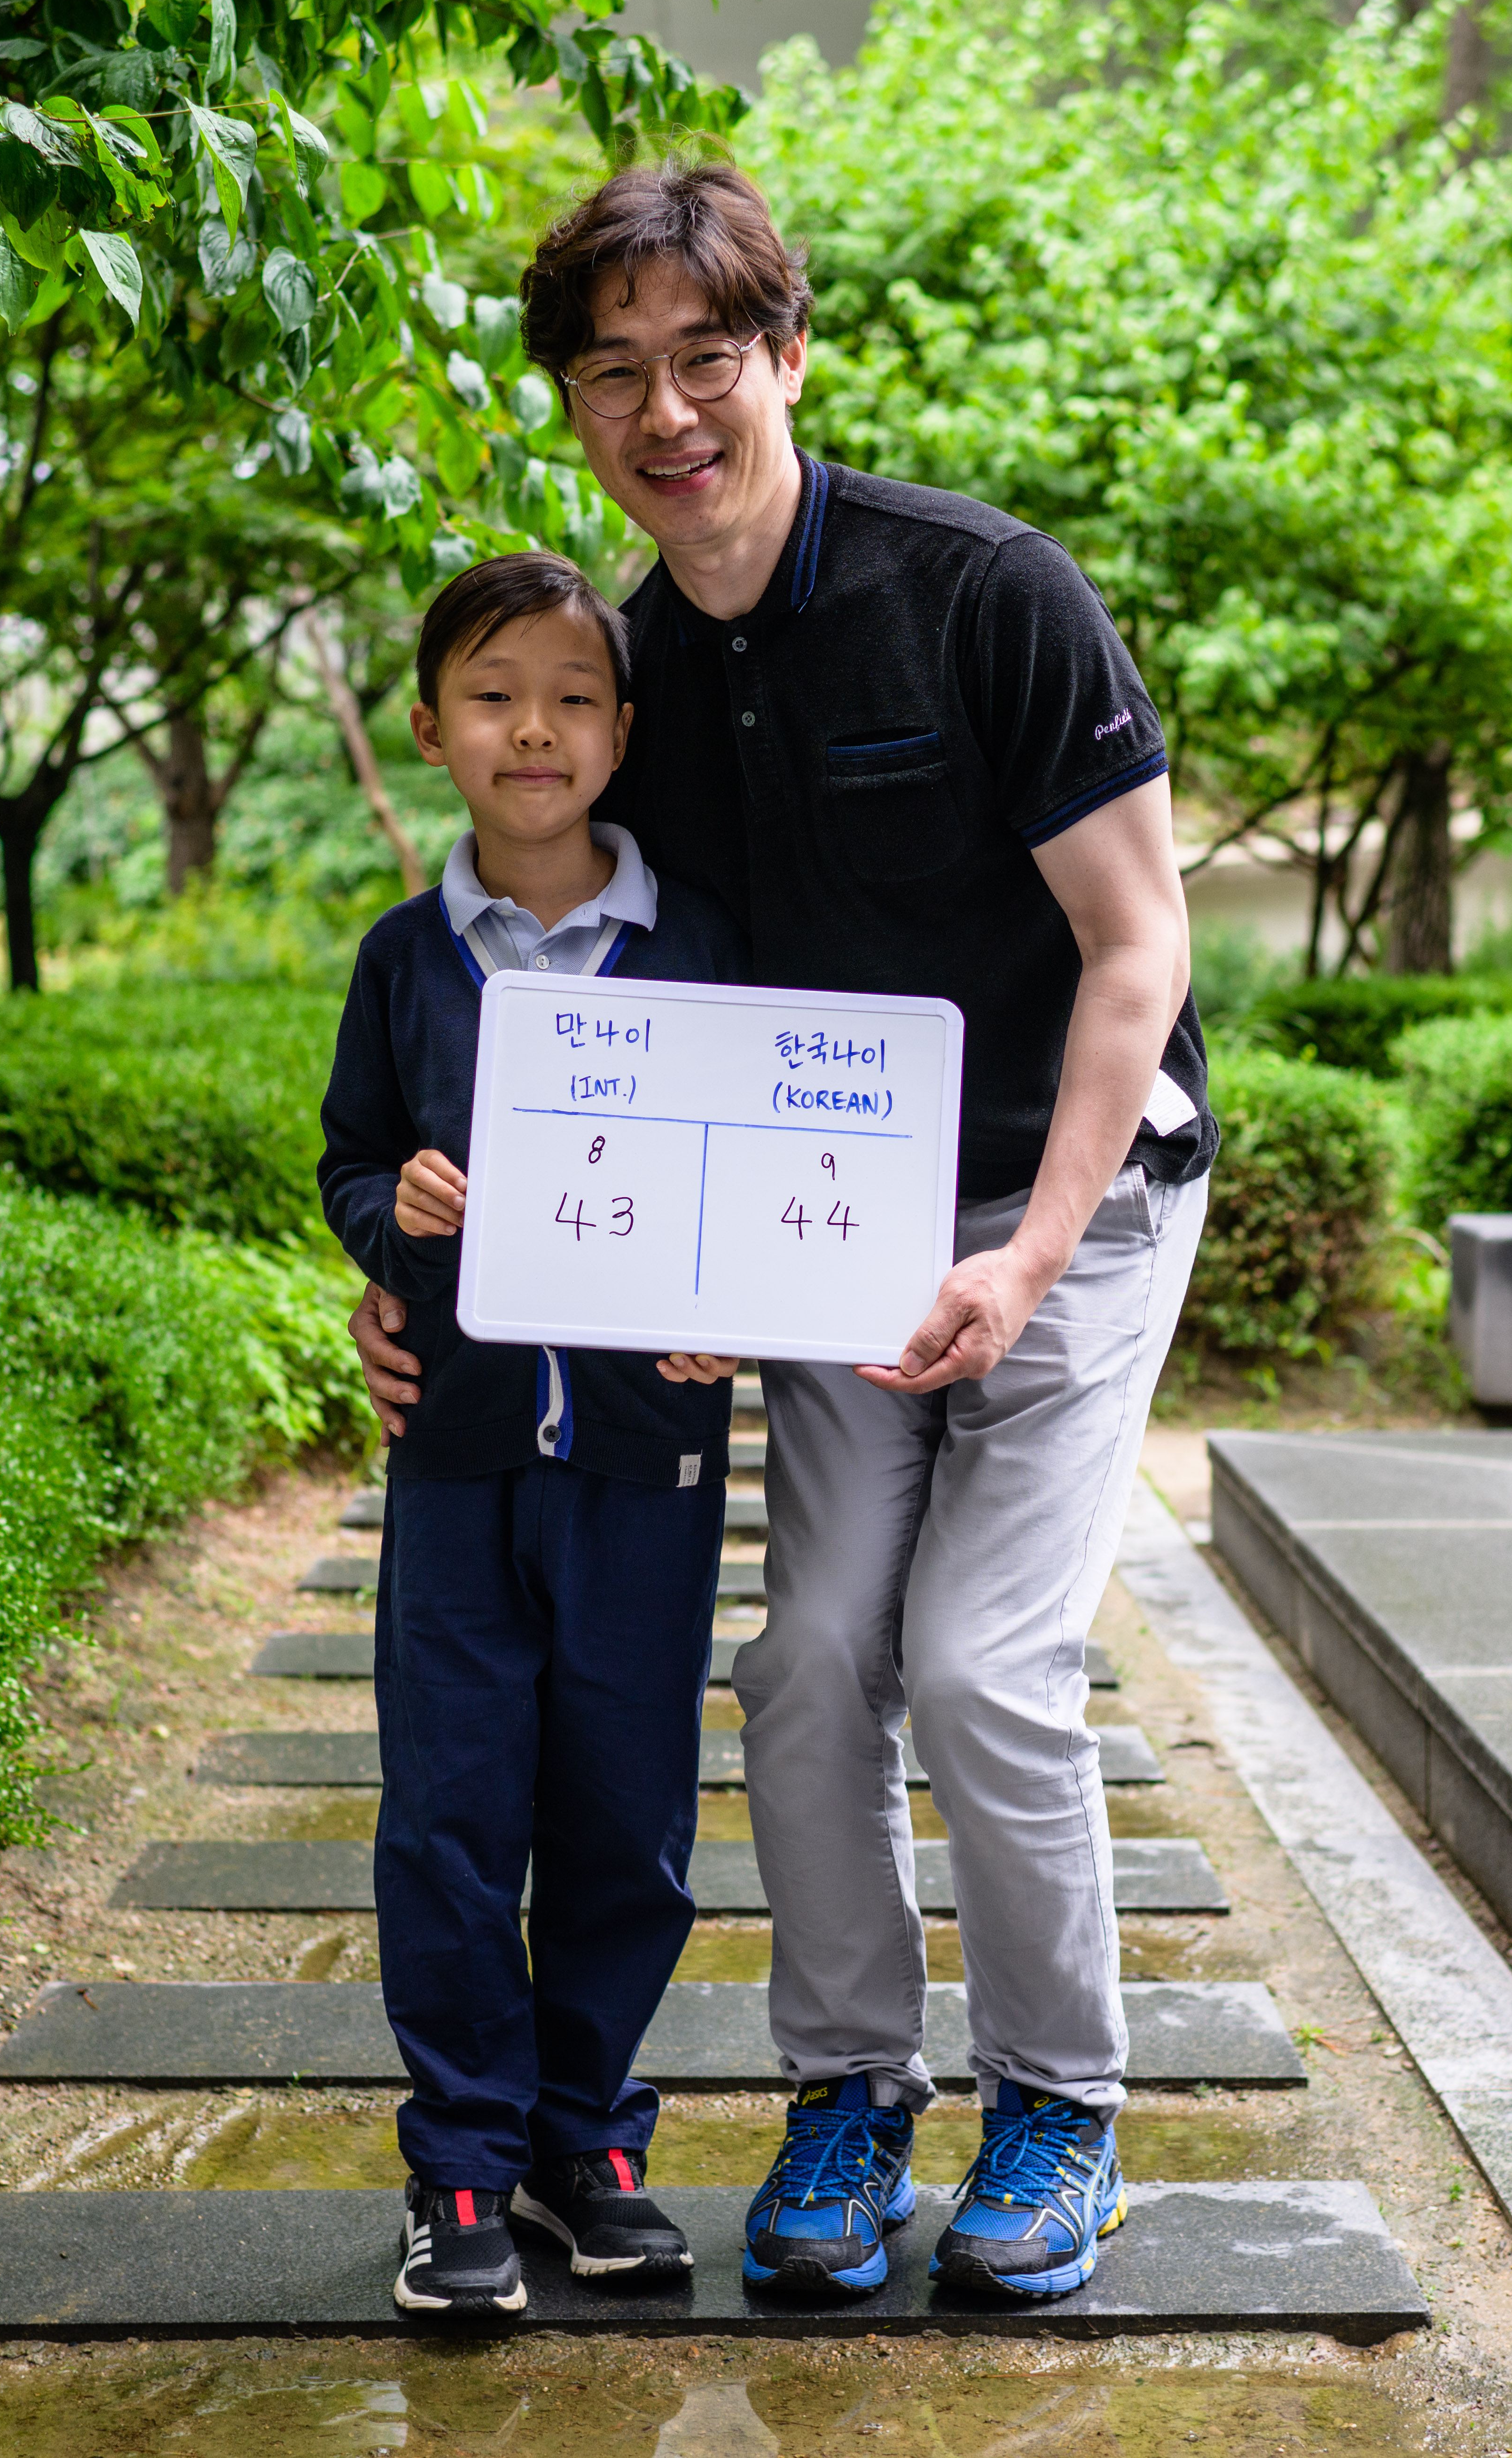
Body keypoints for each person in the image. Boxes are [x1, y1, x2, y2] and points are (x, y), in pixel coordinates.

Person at [351, 166, 1214, 2301]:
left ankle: (1061, 2103)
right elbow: (619, 1023)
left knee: (982, 1662)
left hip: (1068, 1201)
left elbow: (1139, 946)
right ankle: (851, 2083)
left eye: (706, 359)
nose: (666, 413)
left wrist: (1028, 1259)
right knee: (811, 1658)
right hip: (839, 1237)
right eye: (613, 372)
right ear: (575, 403)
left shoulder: (987, 592)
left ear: (789, 357)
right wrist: (459, 1274)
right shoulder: (625, 673)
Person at [315, 547, 748, 2318]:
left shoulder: (697, 941)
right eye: (492, 696)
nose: (535, 730)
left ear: (625, 731)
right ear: (432, 730)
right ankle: (463, 2163)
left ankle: (590, 2140)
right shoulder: (405, 959)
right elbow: (351, 1158)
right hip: (462, 1456)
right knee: (451, 1810)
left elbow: (761, 1169)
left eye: (574, 698)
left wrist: (735, 1297)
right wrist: (391, 1220)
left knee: (630, 1814)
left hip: (648, 1463)